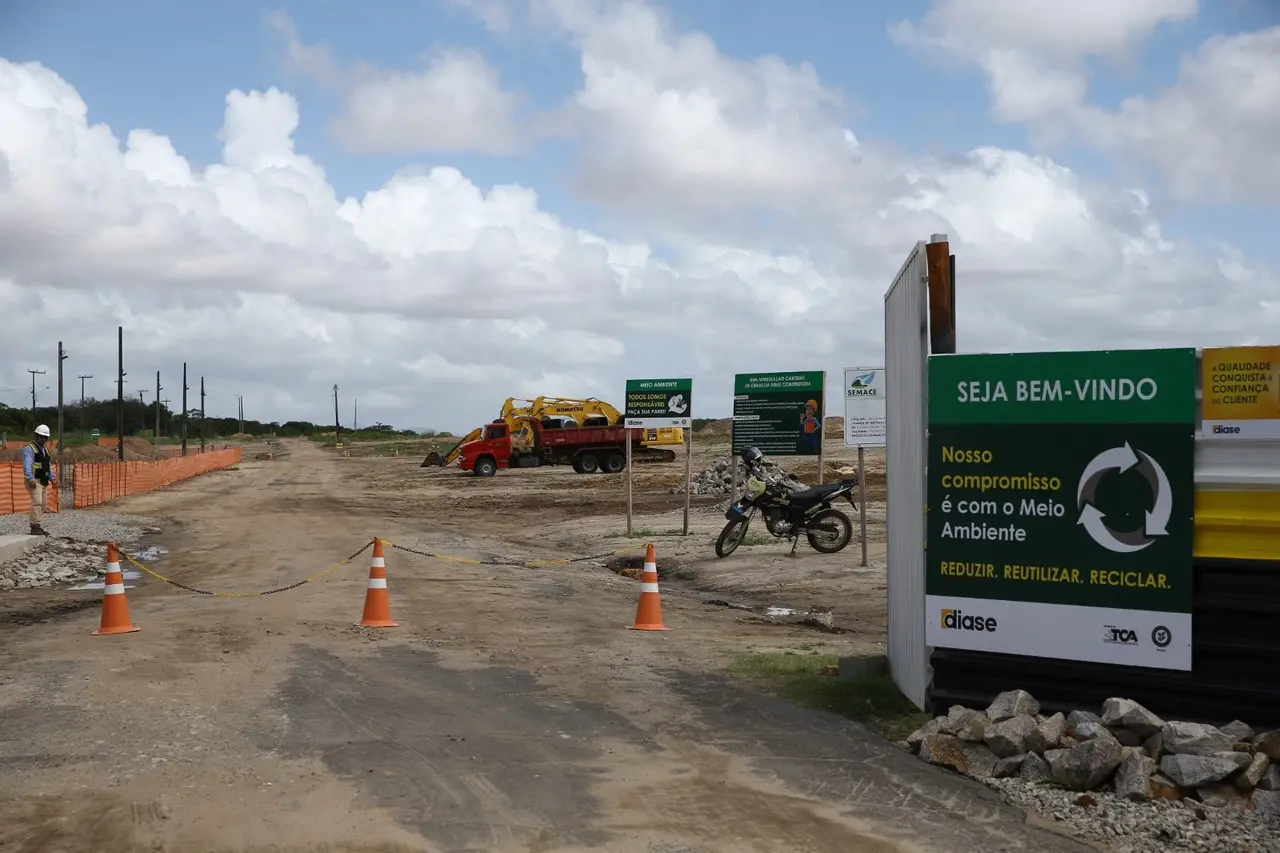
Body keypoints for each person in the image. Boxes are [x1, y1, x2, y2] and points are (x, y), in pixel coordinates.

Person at [22, 424, 57, 536]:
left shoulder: (45, 451)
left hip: (44, 481)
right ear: (36, 436)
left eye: (45, 437)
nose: (43, 439)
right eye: (41, 436)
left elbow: (47, 465)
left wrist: (52, 478)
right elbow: (27, 465)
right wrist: (30, 478)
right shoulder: (29, 449)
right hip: (34, 481)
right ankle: (34, 526)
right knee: (37, 502)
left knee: (43, 504)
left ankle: (38, 525)